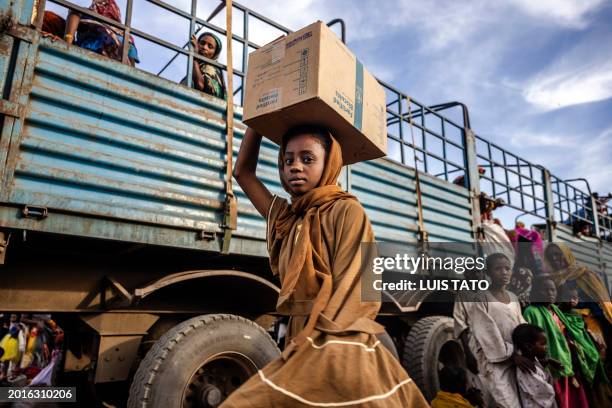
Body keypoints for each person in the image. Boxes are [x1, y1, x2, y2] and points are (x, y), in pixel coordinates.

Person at [220, 126, 429, 406]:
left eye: (307, 159)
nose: (295, 167)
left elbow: (357, 283)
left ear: (329, 163)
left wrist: (326, 341)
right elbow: (242, 174)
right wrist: (258, 122)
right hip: (299, 331)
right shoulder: (286, 216)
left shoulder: (348, 211)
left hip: (337, 330)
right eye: (288, 160)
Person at [458, 252, 530, 408]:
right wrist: (512, 355)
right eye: (498, 269)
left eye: (507, 268)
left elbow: (521, 326)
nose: (504, 272)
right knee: (507, 402)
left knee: (524, 399)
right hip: (496, 361)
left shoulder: (513, 297)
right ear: (488, 272)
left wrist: (530, 350)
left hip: (518, 358)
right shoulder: (481, 298)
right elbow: (488, 333)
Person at [523, 277, 589, 408]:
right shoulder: (531, 312)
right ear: (536, 292)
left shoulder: (555, 309)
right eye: (545, 290)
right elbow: (529, 340)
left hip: (566, 361)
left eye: (553, 290)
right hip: (550, 366)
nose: (550, 293)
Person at [558, 284, 611, 408]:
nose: (573, 300)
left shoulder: (579, 314)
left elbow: (585, 331)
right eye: (569, 297)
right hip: (575, 354)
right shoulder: (559, 314)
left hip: (589, 351)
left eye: (575, 298)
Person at [544, 243, 612, 324]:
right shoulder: (553, 279)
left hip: (589, 321)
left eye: (557, 254)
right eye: (550, 256)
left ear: (567, 254)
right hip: (562, 319)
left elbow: (601, 300)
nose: (554, 258)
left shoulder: (585, 274)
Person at [64, 0, 139, 66]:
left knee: (76, 11)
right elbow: (132, 68)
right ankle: (68, 43)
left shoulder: (125, 37)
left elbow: (131, 64)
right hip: (92, 54)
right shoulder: (127, 37)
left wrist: (68, 42)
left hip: (93, 53)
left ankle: (67, 43)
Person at [512, 323, 560, 408]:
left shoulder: (533, 360)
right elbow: (545, 393)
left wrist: (548, 361)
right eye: (543, 344)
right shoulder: (526, 368)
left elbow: (538, 368)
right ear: (529, 346)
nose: (546, 347)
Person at [182, 32, 226, 99]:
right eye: (202, 43)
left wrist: (195, 58)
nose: (204, 47)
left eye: (210, 47)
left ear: (215, 53)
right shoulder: (198, 67)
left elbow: (200, 85)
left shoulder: (212, 68)